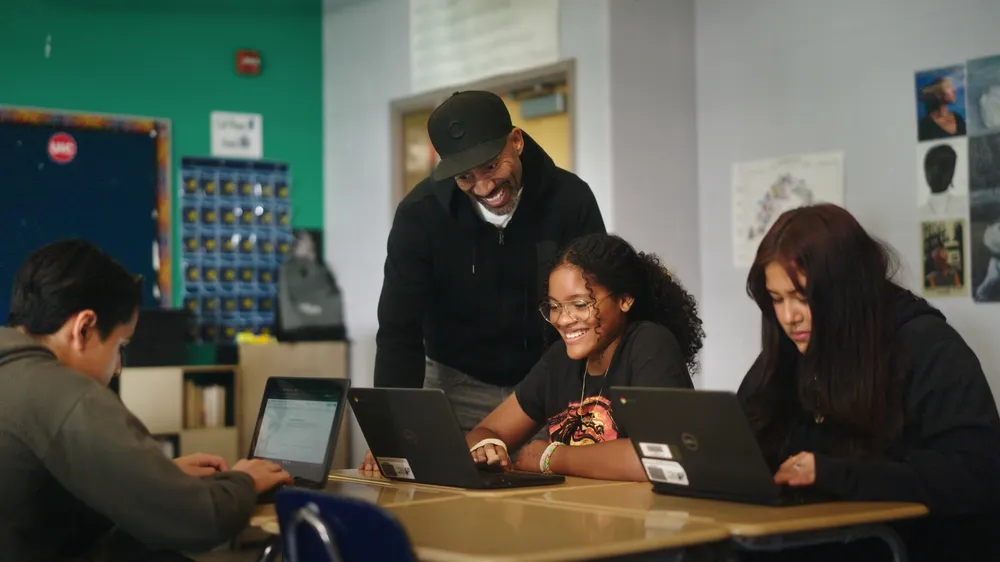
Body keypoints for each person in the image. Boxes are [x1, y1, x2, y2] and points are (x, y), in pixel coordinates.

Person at [0, 239, 293, 561]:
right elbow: (200, 520)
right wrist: (245, 481)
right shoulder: (66, 395)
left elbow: (40, 503)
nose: (117, 368)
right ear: (83, 328)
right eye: (120, 346)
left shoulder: (12, 371)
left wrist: (155, 477)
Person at [737, 204, 1000, 561]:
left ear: (844, 292)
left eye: (803, 297)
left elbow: (977, 473)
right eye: (777, 299)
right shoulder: (788, 349)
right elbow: (744, 437)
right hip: (817, 542)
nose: (788, 317)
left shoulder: (927, 346)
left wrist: (837, 475)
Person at [374, 90, 606, 432]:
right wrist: (392, 431)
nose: (484, 188)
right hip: (454, 386)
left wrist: (595, 392)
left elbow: (601, 304)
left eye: (491, 166)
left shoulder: (570, 200)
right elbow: (398, 330)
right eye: (466, 177)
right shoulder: (420, 216)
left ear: (516, 141)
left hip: (546, 384)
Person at [461, 233, 704, 481]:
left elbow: (662, 458)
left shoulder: (649, 344)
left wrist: (551, 457)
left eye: (580, 304)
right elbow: (485, 431)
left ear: (625, 299)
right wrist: (487, 446)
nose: (563, 320)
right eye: (554, 307)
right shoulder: (559, 360)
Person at [917, 76, 966, 141]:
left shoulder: (958, 118)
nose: (954, 90)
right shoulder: (925, 125)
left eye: (952, 87)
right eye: (948, 87)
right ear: (938, 94)